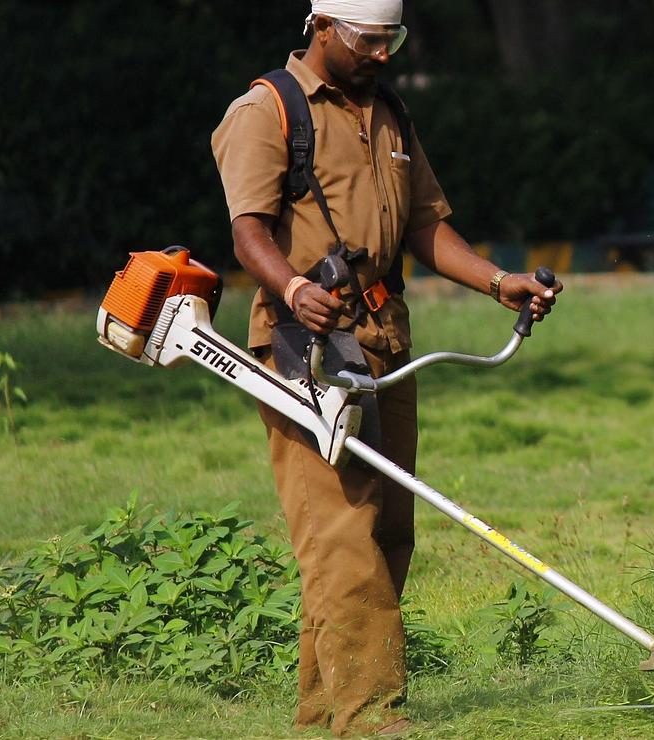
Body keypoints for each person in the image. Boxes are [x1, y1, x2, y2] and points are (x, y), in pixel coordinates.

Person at [210, 1, 560, 734]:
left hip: (385, 344)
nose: (383, 54)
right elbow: (247, 232)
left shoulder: (391, 114)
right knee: (341, 533)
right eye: (370, 40)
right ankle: (371, 718)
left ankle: (321, 710)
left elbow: (425, 225)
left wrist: (500, 282)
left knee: (387, 531)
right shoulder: (267, 110)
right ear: (323, 26)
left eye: (392, 40)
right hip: (299, 349)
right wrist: (296, 288)